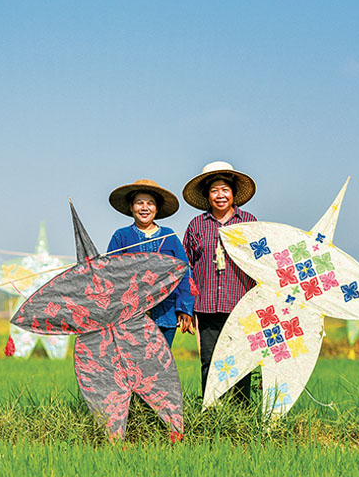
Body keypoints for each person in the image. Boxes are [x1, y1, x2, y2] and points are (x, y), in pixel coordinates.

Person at [181, 161, 257, 403]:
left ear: (233, 194)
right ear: (207, 195)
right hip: (206, 306)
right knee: (210, 360)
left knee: (242, 359)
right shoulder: (197, 226)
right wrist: (186, 307)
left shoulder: (248, 223)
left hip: (241, 305)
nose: (220, 195)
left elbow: (261, 263)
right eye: (215, 190)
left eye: (225, 189)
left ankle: (241, 412)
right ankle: (211, 410)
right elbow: (186, 268)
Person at [107, 179, 196, 347]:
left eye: (150, 203)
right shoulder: (121, 236)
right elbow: (110, 273)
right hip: (130, 315)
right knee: (134, 365)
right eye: (139, 203)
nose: (145, 207)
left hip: (166, 313)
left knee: (161, 365)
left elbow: (184, 273)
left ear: (156, 208)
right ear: (131, 207)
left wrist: (185, 309)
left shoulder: (169, 236)